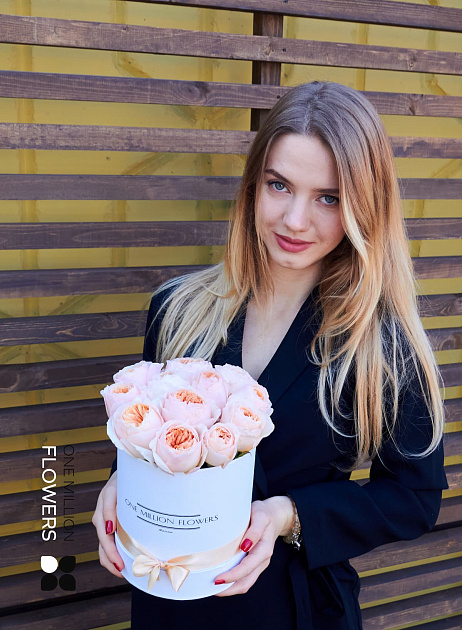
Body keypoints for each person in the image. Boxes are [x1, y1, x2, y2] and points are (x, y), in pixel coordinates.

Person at [92, 81, 447, 630]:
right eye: (279, 185)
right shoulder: (176, 310)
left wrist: (290, 514)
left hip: (292, 604)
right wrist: (120, 486)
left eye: (328, 197)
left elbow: (414, 497)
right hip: (168, 594)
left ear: (364, 207)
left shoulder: (383, 347)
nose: (295, 220)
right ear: (253, 186)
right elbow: (142, 443)